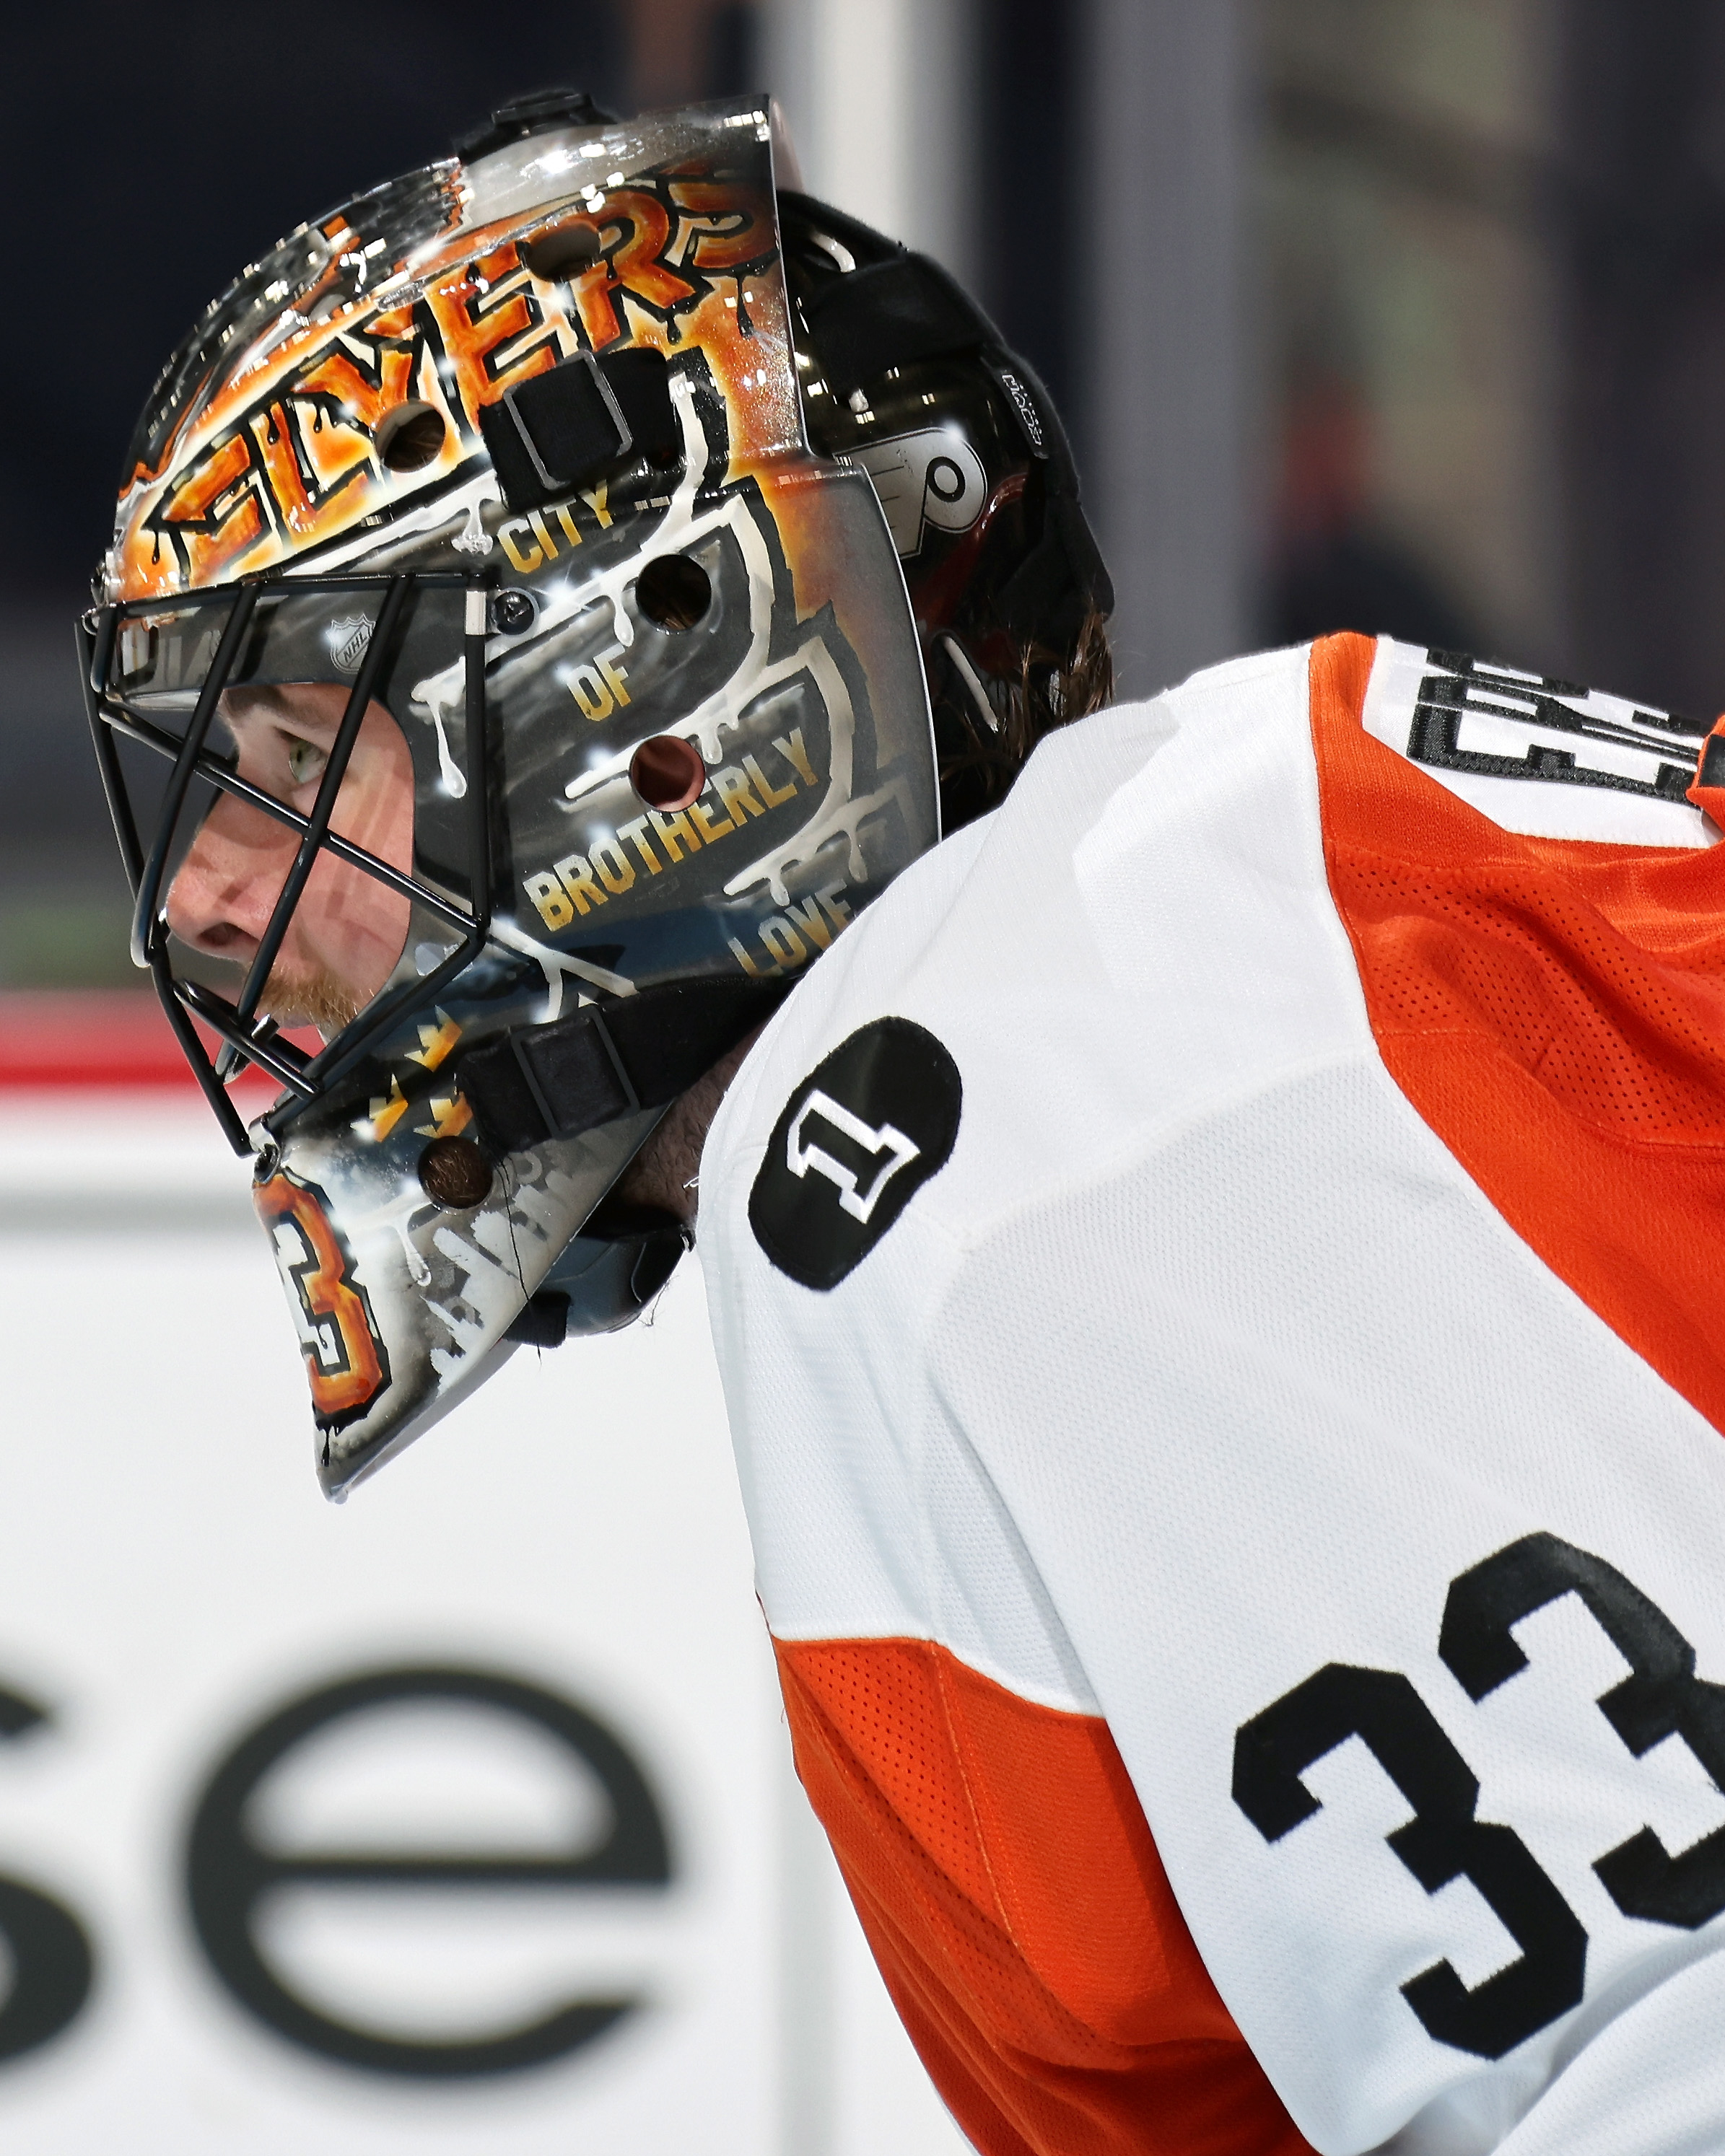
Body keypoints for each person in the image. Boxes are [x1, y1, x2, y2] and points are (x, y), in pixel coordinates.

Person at [82, 87, 1725, 2156]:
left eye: (303, 752)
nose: (212, 896)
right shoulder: (1189, 894)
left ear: (654, 696)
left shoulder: (1006, 1051)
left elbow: (1667, 2037)